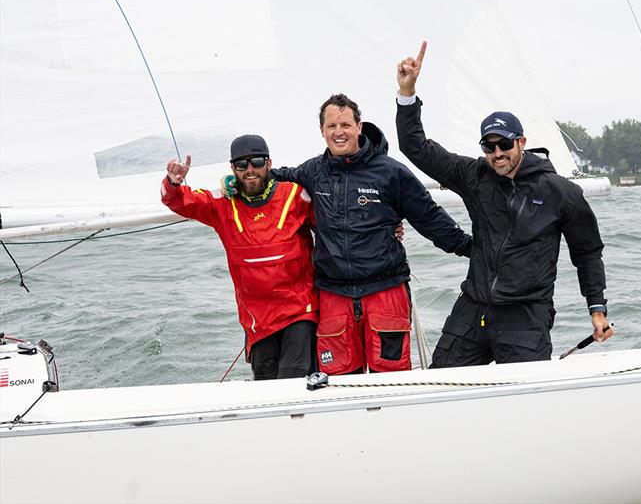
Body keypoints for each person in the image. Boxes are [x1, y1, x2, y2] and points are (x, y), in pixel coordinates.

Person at [395, 42, 613, 367]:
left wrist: (597, 310)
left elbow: (587, 253)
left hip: (526, 314)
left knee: (526, 402)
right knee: (438, 386)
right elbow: (417, 148)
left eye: (504, 145)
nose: (497, 154)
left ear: (521, 143)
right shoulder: (474, 176)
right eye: (489, 146)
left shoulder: (560, 192)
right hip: (474, 307)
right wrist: (407, 94)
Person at [228, 94, 472, 375]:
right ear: (322, 131)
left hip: (385, 291)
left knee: (391, 380)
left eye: (345, 124)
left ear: (359, 126)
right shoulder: (312, 172)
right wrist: (231, 182)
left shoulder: (391, 172)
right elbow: (269, 178)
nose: (338, 132)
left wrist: (469, 248)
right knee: (340, 383)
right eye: (331, 126)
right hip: (334, 296)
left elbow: (430, 218)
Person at [161, 134, 318, 380]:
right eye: (242, 165)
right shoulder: (222, 204)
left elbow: (335, 225)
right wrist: (173, 181)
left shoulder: (295, 196)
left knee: (292, 386)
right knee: (266, 390)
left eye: (256, 161)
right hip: (258, 323)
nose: (250, 170)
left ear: (269, 163)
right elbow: (178, 200)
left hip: (300, 312)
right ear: (233, 169)